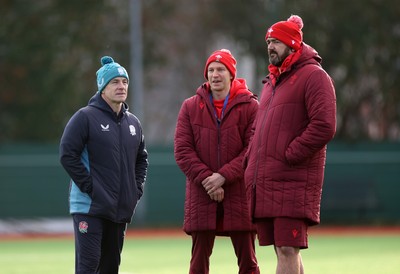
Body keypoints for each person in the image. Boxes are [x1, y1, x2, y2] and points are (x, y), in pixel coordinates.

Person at [244, 15, 336, 274]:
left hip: (291, 179)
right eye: (269, 42)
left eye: (276, 42)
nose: (270, 47)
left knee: (287, 249)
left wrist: (291, 154)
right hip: (269, 180)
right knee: (282, 249)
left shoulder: (314, 76)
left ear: (293, 44)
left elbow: (325, 125)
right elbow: (258, 128)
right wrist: (250, 158)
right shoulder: (272, 82)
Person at [59, 56, 148, 274]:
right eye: (115, 82)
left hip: (118, 209)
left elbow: (141, 160)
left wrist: (134, 191)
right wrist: (91, 188)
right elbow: (67, 155)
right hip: (89, 207)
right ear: (102, 87)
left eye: (124, 82)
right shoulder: (84, 117)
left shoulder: (133, 123)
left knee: (110, 269)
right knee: (88, 268)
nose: (121, 86)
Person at [174, 49, 260, 274]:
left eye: (221, 69)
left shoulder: (251, 106)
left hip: (239, 193)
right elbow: (182, 151)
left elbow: (252, 150)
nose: (215, 74)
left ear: (232, 74)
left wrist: (223, 176)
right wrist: (208, 180)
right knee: (198, 262)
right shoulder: (190, 107)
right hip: (202, 193)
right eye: (211, 70)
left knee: (248, 262)